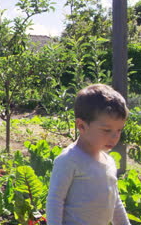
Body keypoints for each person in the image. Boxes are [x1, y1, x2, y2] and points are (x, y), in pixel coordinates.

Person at [46, 84, 130, 225]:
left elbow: (115, 202)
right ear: (82, 126)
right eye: (106, 130)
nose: (115, 137)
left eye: (119, 130)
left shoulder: (109, 162)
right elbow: (55, 200)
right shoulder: (69, 160)